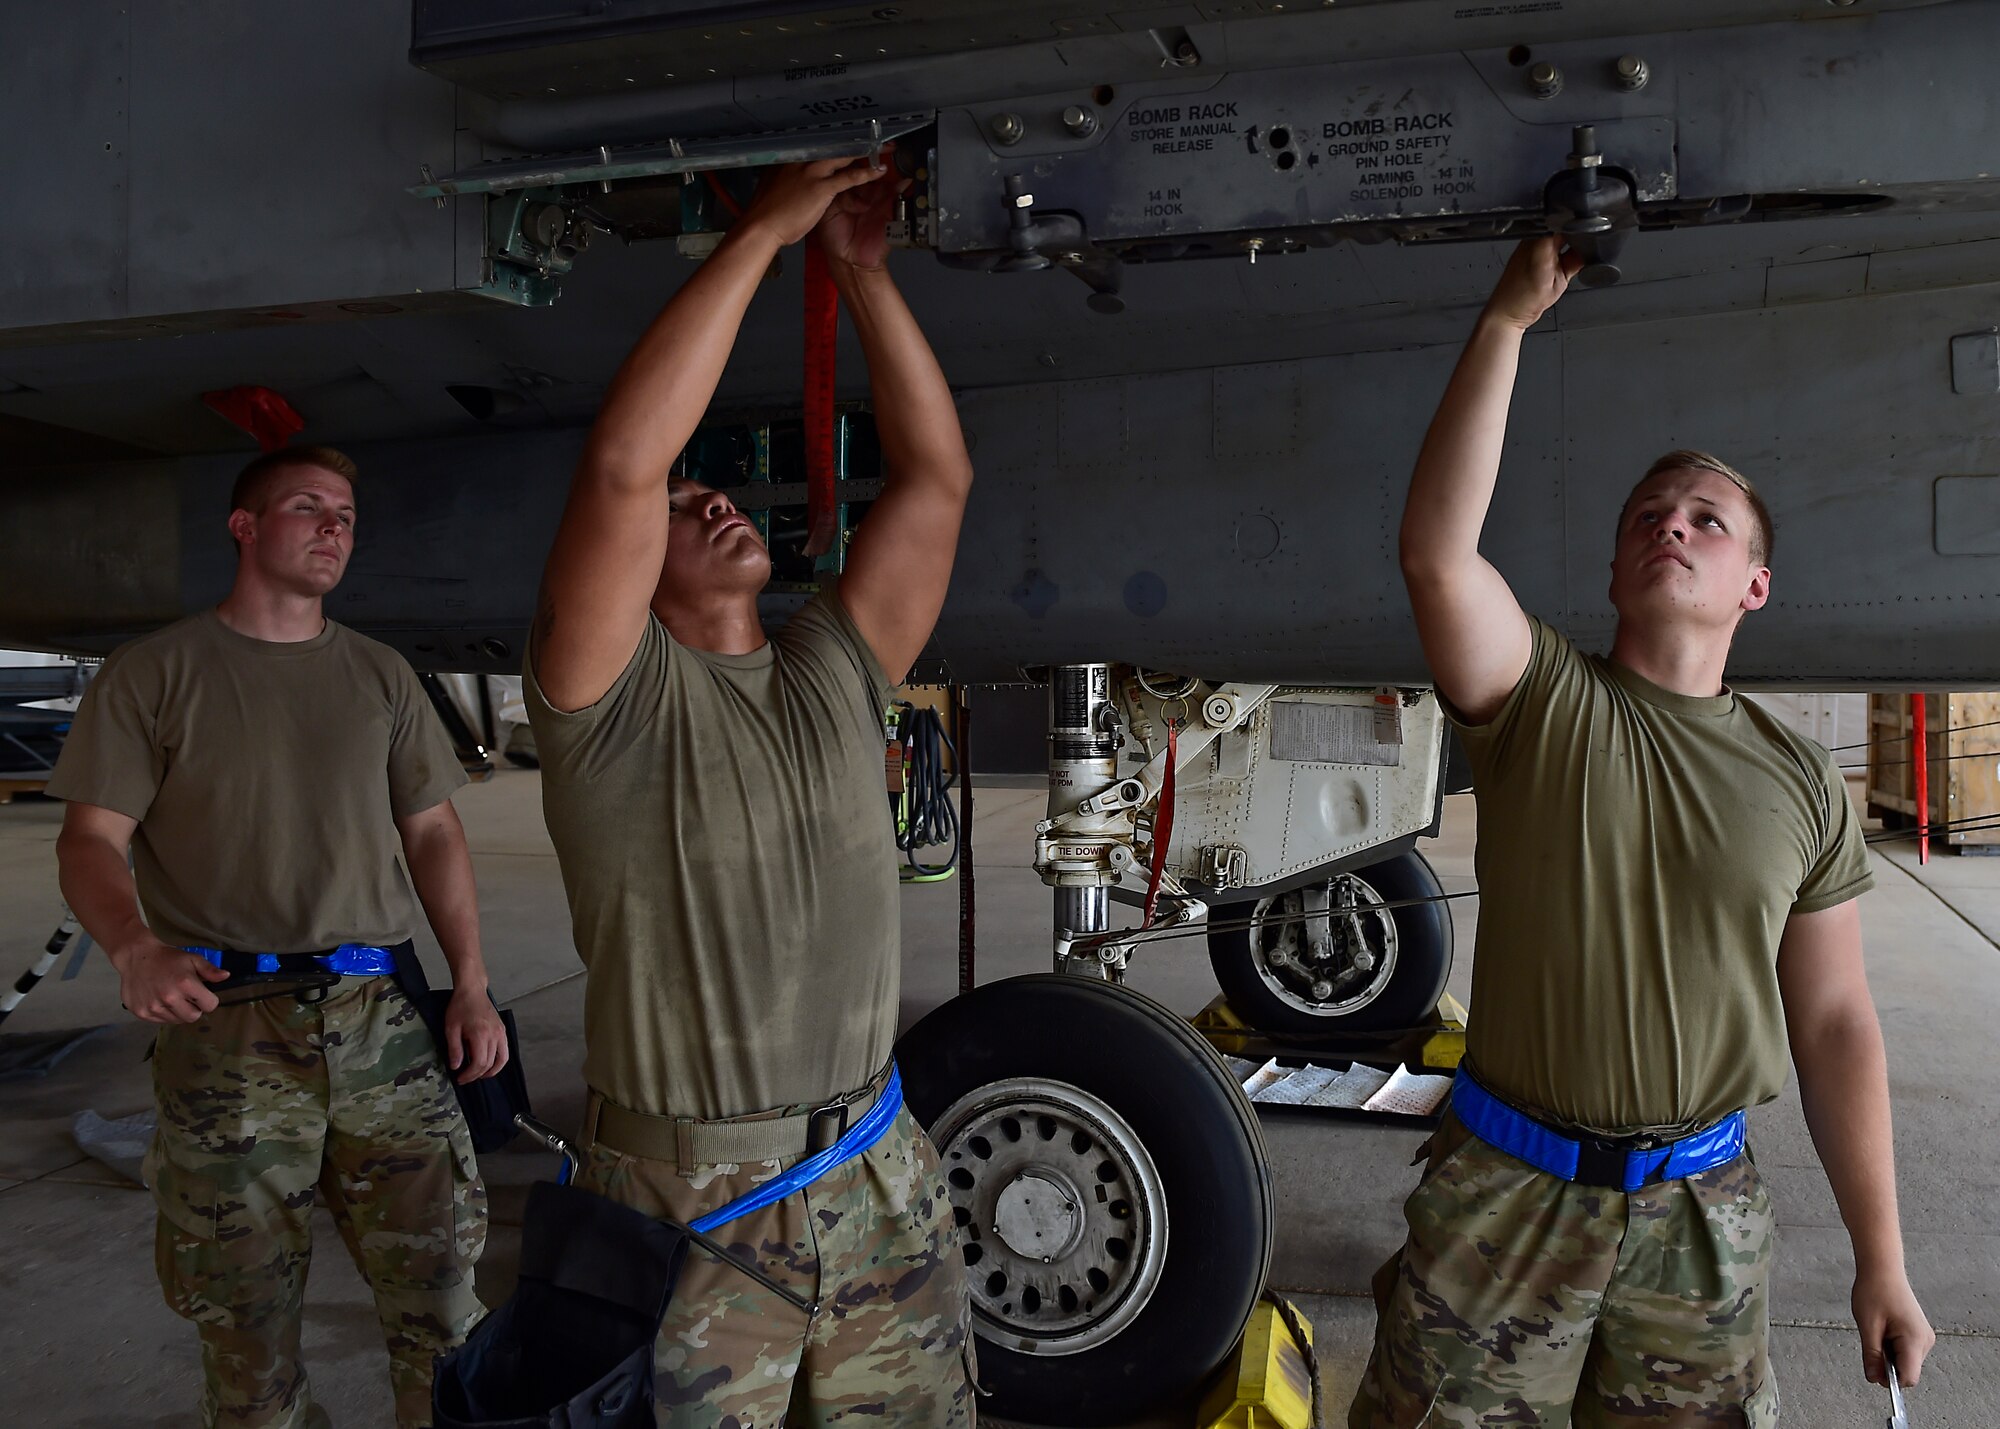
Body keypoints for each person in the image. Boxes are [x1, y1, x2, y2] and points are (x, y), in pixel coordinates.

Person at [1352, 236, 1935, 1426]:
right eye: (1648, 516)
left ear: (1752, 587)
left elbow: (1830, 1024)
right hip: (1505, 1202)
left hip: (1700, 1220)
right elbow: (1434, 553)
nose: (1673, 525)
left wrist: (1882, 1257)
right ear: (1617, 566)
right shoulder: (1541, 705)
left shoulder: (1801, 785)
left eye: (1708, 520)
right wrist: (1506, 324)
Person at [524, 155, 977, 1424]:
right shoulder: (605, 701)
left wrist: (860, 271)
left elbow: (937, 481)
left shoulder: (835, 663)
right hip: (693, 1203)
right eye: (684, 505)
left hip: (875, 1169)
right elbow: (623, 460)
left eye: (707, 488)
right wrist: (770, 232)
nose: (709, 495)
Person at [50, 445, 507, 1429]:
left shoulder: (381, 675)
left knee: (442, 1299)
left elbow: (434, 831)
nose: (334, 525)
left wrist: (469, 982)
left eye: (345, 511)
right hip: (229, 1034)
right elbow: (91, 838)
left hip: (383, 1022)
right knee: (246, 1322)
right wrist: (133, 944)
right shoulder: (154, 675)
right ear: (244, 527)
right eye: (307, 506)